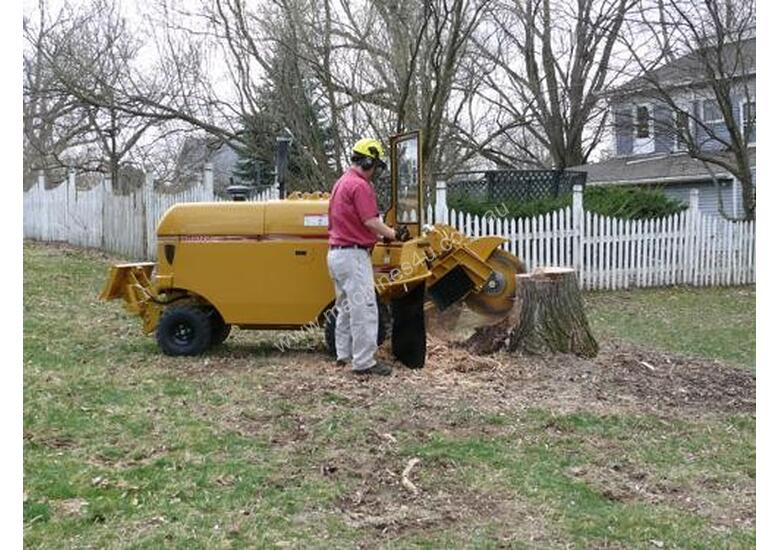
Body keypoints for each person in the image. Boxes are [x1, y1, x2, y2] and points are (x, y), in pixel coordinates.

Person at [327, 138, 408, 376]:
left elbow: (355, 222)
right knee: (365, 308)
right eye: (376, 166)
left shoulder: (342, 182)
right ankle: (363, 363)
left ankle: (343, 355)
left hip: (336, 254)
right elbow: (371, 221)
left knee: (345, 307)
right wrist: (393, 234)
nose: (375, 172)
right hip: (353, 256)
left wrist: (379, 236)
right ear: (368, 160)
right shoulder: (360, 185)